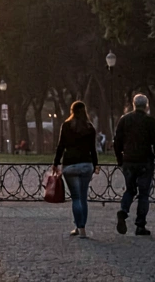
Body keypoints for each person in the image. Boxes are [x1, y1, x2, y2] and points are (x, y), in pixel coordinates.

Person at [113, 94, 155, 236]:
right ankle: (140, 225)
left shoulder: (124, 120)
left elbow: (117, 142)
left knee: (130, 189)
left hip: (128, 160)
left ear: (133, 104)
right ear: (146, 105)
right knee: (144, 194)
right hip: (145, 161)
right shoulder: (150, 121)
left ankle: (123, 211)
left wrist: (120, 159)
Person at [52, 101, 98, 238]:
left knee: (76, 198)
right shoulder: (90, 128)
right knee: (83, 197)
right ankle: (81, 228)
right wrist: (95, 165)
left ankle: (79, 226)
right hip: (86, 164)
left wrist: (56, 163)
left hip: (70, 165)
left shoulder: (66, 126)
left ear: (72, 111)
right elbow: (93, 149)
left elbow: (61, 146)